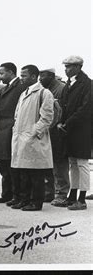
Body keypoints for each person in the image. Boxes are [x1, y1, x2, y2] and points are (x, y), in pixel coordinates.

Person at [11, 65, 54, 211]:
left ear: (34, 76)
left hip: (33, 138)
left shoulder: (44, 93)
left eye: (24, 76)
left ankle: (36, 202)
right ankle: (25, 200)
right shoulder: (24, 93)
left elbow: (47, 117)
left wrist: (34, 132)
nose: (21, 78)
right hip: (21, 137)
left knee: (36, 174)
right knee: (24, 172)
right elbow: (17, 115)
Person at [0, 62, 28, 205]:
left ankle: (16, 195)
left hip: (11, 129)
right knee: (4, 165)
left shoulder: (20, 87)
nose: (0, 76)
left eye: (2, 73)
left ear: (11, 72)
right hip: (1, 129)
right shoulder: (5, 88)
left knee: (12, 165)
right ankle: (6, 194)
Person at [57, 56, 91, 210]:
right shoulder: (69, 84)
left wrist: (67, 122)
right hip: (69, 129)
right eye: (65, 66)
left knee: (82, 163)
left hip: (82, 129)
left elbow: (85, 108)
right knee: (72, 163)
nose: (66, 69)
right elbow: (63, 105)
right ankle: (72, 195)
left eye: (69, 66)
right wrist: (60, 121)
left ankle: (82, 199)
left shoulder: (87, 84)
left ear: (79, 67)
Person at [39, 68, 69, 206]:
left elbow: (65, 110)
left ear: (51, 76)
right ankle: (49, 192)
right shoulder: (45, 89)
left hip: (59, 132)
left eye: (42, 76)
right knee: (49, 163)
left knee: (59, 163)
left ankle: (61, 193)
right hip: (49, 131)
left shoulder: (61, 89)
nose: (40, 79)